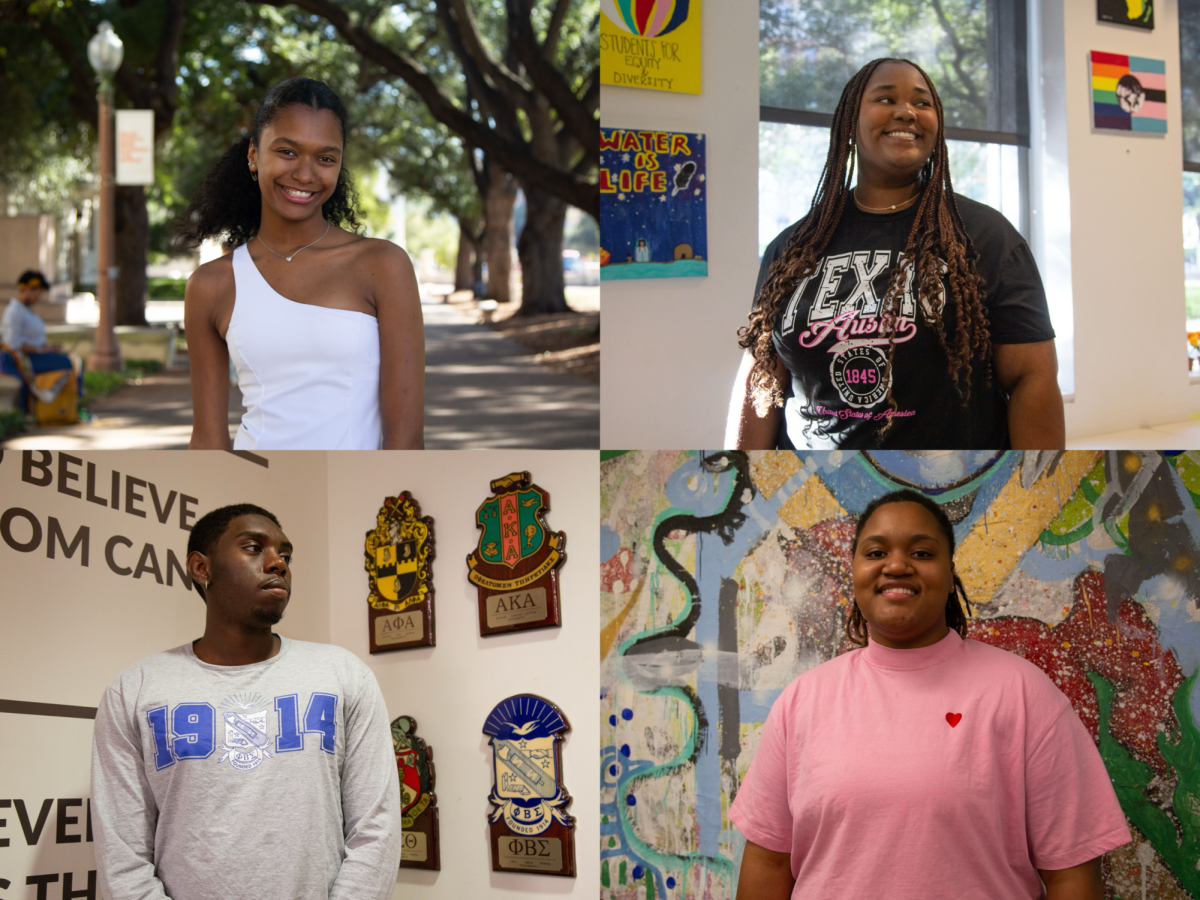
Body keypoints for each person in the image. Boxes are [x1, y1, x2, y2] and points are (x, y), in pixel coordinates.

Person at [728, 489, 1130, 900]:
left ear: (950, 571)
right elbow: (769, 861)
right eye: (875, 552)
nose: (897, 565)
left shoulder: (1023, 694)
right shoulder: (802, 702)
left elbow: (1072, 875)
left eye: (921, 553)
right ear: (853, 571)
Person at [727, 58, 1064, 449]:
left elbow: (1032, 378)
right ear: (849, 123)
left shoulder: (988, 237)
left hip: (952, 483)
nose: (906, 112)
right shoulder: (793, 247)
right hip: (811, 489)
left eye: (923, 103)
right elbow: (762, 378)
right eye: (886, 98)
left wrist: (1032, 492)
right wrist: (740, 477)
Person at [91, 503, 403, 900]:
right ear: (202, 568)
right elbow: (122, 853)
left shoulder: (343, 675)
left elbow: (376, 828)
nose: (278, 563)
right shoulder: (135, 689)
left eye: (285, 555)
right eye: (254, 548)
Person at [178, 77, 424, 449]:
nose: (306, 174)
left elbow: (405, 440)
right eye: (287, 152)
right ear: (253, 155)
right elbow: (208, 441)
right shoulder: (212, 285)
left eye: (325, 158)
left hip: (356, 500)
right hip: (258, 498)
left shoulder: (382, 266)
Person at [0, 270, 82, 410]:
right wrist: (41, 349)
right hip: (20, 359)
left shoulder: (27, 310)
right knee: (69, 363)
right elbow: (12, 344)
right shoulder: (14, 311)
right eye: (37, 293)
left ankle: (70, 405)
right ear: (26, 289)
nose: (38, 297)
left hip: (37, 354)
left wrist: (49, 348)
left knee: (74, 359)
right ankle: (65, 406)